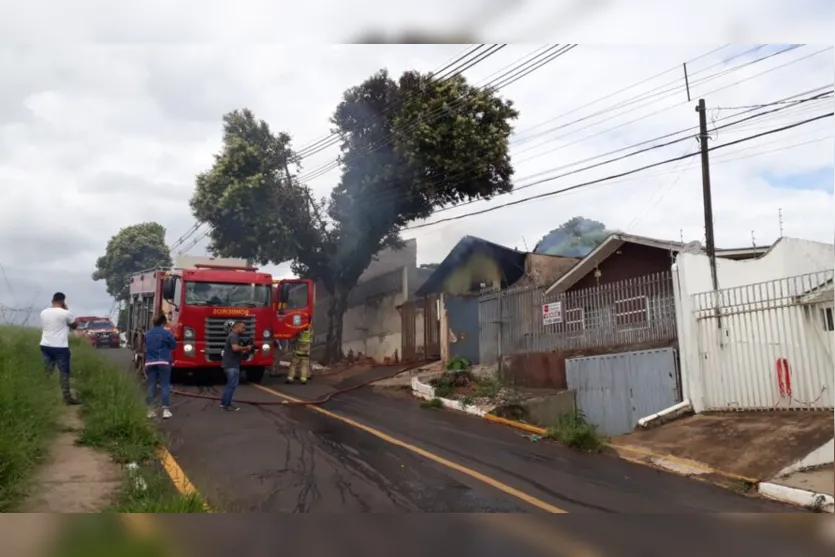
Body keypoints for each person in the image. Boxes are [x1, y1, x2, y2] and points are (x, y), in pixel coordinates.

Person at [39, 292, 80, 404]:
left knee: (48, 370)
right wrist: (65, 309)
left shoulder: (43, 312)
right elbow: (74, 326)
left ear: (52, 301)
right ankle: (67, 397)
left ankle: (44, 395)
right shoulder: (66, 313)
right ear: (63, 301)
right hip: (60, 347)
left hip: (45, 345)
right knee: (64, 372)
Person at [144, 313, 177, 419]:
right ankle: (165, 410)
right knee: (165, 385)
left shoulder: (147, 334)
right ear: (163, 323)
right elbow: (174, 345)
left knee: (151, 385)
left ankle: (150, 411)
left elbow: (145, 347)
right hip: (164, 361)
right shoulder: (166, 333)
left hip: (150, 362)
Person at [221, 320, 253, 411]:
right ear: (237, 327)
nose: (244, 329)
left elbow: (236, 351)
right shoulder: (233, 336)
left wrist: (245, 350)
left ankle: (224, 402)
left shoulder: (234, 336)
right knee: (232, 385)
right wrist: (246, 347)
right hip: (231, 365)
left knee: (230, 385)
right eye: (243, 327)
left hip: (231, 364)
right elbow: (235, 348)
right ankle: (227, 404)